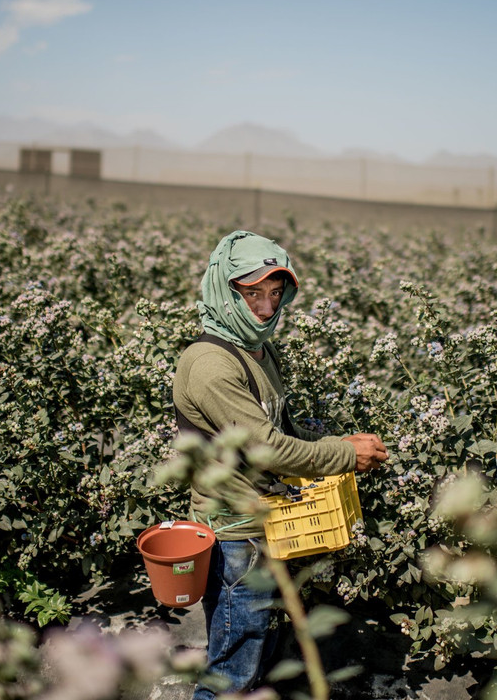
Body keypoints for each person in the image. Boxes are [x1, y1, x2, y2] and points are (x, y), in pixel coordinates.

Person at [172, 230, 389, 700]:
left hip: (266, 520)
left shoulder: (259, 350)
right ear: (224, 290)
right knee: (232, 665)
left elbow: (282, 430)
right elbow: (269, 449)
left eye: (275, 294)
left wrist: (338, 443)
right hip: (234, 535)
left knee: (259, 645)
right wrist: (346, 455)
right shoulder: (211, 364)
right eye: (252, 293)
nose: (267, 309)